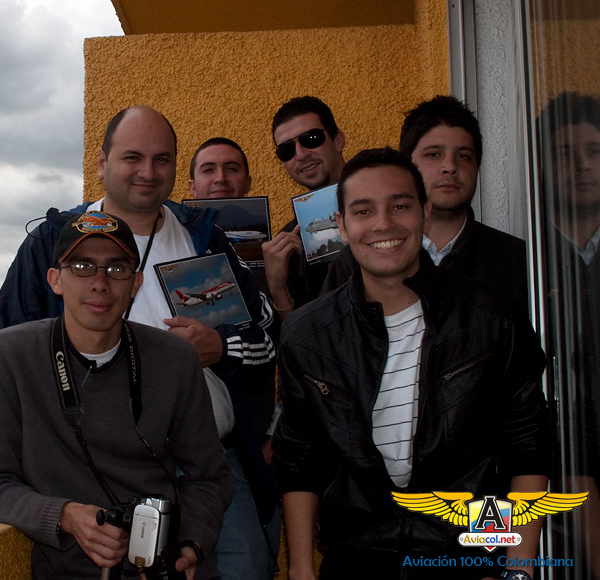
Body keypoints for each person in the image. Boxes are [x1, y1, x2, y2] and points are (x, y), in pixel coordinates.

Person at [0, 105, 278, 578]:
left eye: (161, 159)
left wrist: (221, 347)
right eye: (133, 157)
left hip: (208, 471)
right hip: (89, 474)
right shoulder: (52, 244)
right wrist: (1, 481)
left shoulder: (205, 240)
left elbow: (265, 345)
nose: (148, 172)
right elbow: (10, 371)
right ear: (102, 163)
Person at [274, 147, 549, 579]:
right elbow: (299, 462)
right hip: (356, 560)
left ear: (424, 212)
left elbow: (528, 449)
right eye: (363, 211)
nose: (383, 224)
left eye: (400, 206)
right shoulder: (307, 336)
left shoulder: (492, 319)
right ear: (342, 226)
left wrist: (518, 570)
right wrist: (302, 570)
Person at [0, 211, 233, 579]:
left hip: (166, 565)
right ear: (54, 279)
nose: (99, 283)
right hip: (69, 570)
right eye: (82, 266)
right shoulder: (9, 355)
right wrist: (65, 515)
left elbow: (209, 475)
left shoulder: (174, 358)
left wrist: (190, 543)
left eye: (117, 268)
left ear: (135, 283)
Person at [322, 96, 529, 313]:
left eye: (463, 155)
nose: (450, 166)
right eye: (434, 154)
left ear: (477, 167)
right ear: (408, 165)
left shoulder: (516, 259)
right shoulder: (356, 260)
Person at [188, 136, 280, 579]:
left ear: (248, 179)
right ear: (191, 184)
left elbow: (288, 351)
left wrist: (275, 429)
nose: (220, 179)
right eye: (208, 169)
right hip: (200, 442)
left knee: (253, 561)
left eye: (231, 168)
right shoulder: (184, 253)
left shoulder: (281, 248)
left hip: (252, 446)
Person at [538, 92, 600, 576]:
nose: (581, 165)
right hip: (551, 465)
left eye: (594, 151)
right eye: (564, 154)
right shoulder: (527, 258)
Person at [263, 96, 346, 315]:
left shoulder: (386, 207)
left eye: (311, 138)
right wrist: (277, 287)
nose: (300, 155)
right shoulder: (290, 243)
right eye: (286, 150)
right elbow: (296, 332)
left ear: (338, 140)